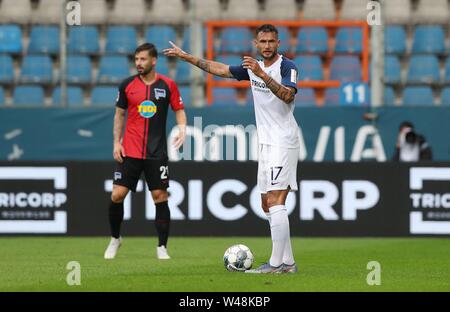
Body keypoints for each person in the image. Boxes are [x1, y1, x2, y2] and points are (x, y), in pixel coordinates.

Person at [164, 24, 299, 273]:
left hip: (283, 139)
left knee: (276, 199)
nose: (267, 45)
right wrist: (187, 57)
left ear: (278, 43)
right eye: (263, 41)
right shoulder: (251, 69)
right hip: (266, 142)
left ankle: (276, 263)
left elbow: (288, 96)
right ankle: (288, 263)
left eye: (271, 41)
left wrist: (261, 73)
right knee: (266, 204)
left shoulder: (286, 67)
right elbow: (219, 69)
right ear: (256, 44)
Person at [104, 43, 187, 260]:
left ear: (153, 61)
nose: (138, 63)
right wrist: (116, 142)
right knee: (117, 194)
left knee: (160, 197)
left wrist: (182, 128)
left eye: (142, 59)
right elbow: (119, 115)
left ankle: (162, 247)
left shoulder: (168, 85)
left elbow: (179, 110)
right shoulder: (127, 85)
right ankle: (115, 238)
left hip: (156, 153)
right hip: (129, 150)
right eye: (136, 59)